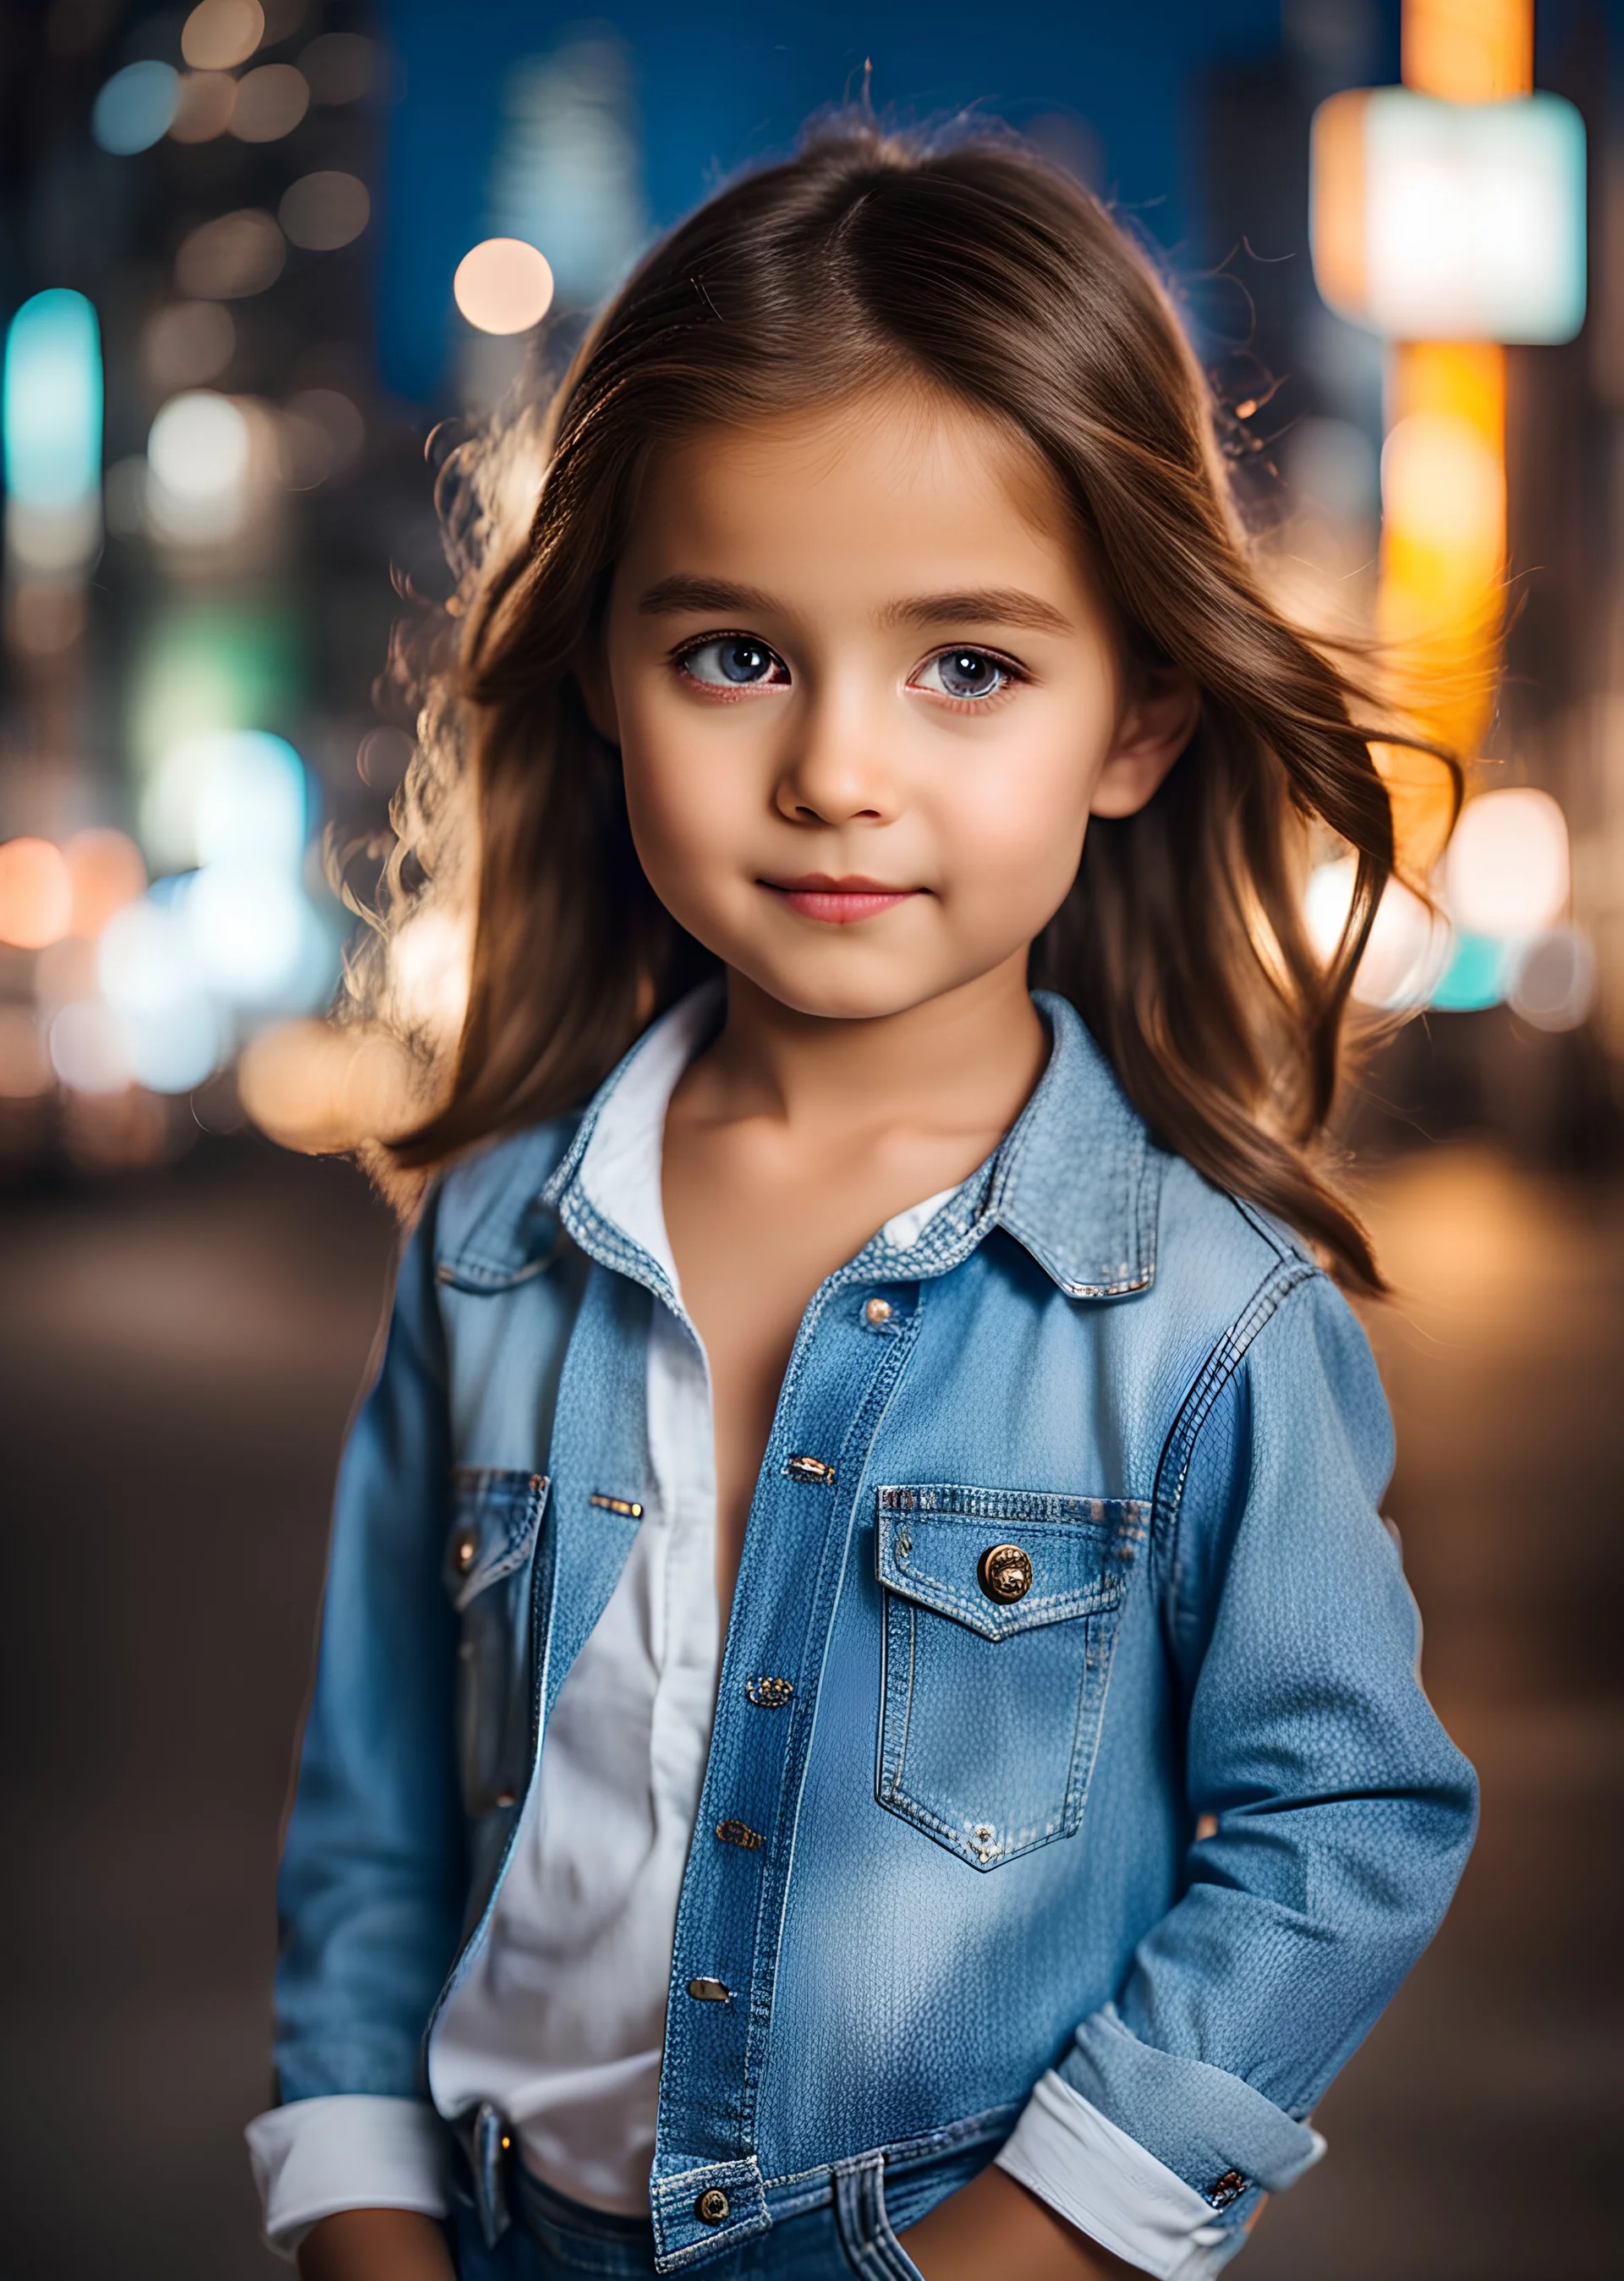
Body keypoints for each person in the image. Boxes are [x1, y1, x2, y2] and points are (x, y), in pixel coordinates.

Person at [246, 120, 1477, 2281]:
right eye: (733, 651)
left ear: (1142, 719)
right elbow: (377, 1829)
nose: (835, 768)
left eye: (970, 666)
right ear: (604, 677)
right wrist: (359, 2213)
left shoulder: (1203, 1318)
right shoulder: (491, 1249)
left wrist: (1038, 2235)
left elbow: (1346, 1822)